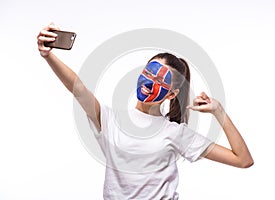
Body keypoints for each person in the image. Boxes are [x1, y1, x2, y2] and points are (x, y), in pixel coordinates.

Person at [37, 23, 253, 200]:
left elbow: (243, 160)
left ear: (171, 94)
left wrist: (219, 112)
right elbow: (78, 88)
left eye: (160, 80)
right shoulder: (110, 118)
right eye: (148, 73)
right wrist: (48, 56)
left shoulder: (176, 133)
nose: (149, 82)